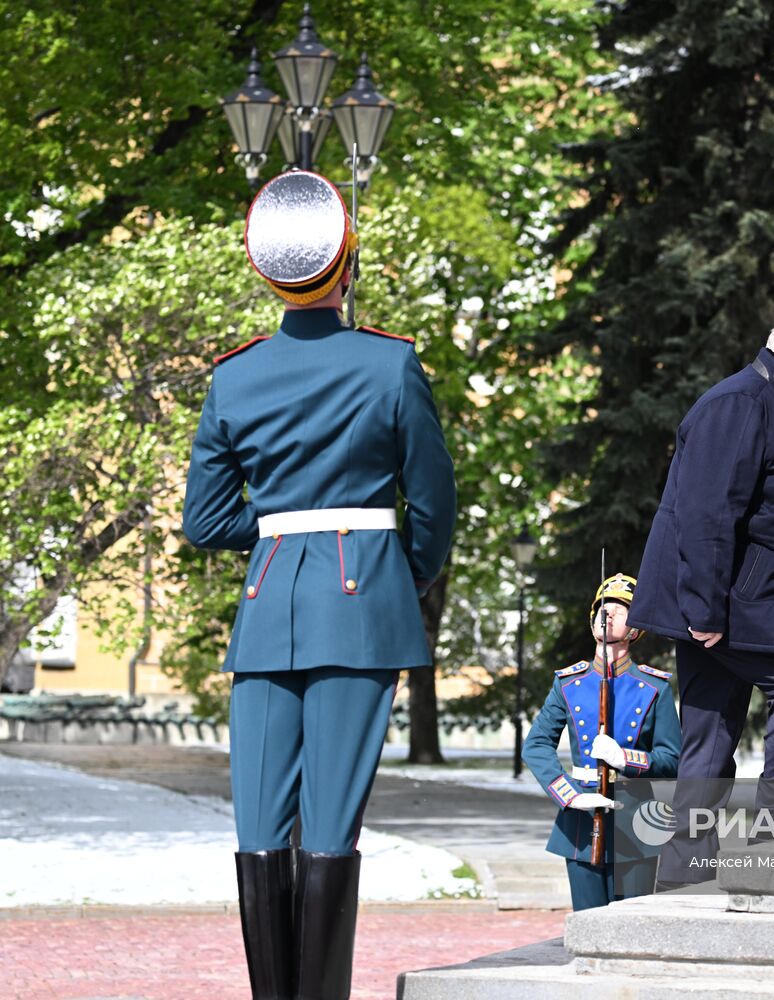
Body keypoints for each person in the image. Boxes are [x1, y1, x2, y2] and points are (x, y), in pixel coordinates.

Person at [182, 170, 457, 1000]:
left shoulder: (234, 377)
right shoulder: (390, 365)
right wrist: (398, 570)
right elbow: (433, 501)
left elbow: (205, 521)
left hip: (268, 612)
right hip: (360, 607)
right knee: (331, 829)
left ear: (269, 277)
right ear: (347, 267)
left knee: (260, 827)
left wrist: (272, 538)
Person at [627, 309, 774, 888]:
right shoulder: (741, 404)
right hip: (725, 605)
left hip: (731, 602)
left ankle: (684, 876)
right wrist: (703, 611)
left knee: (706, 739)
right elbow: (706, 515)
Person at [522, 573, 681, 910]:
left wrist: (627, 758)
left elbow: (673, 758)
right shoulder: (568, 683)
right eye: (602, 608)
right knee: (587, 923)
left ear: (636, 629)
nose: (607, 614)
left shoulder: (655, 688)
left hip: (637, 820)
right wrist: (569, 794)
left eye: (620, 610)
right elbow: (535, 746)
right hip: (581, 820)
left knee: (634, 927)